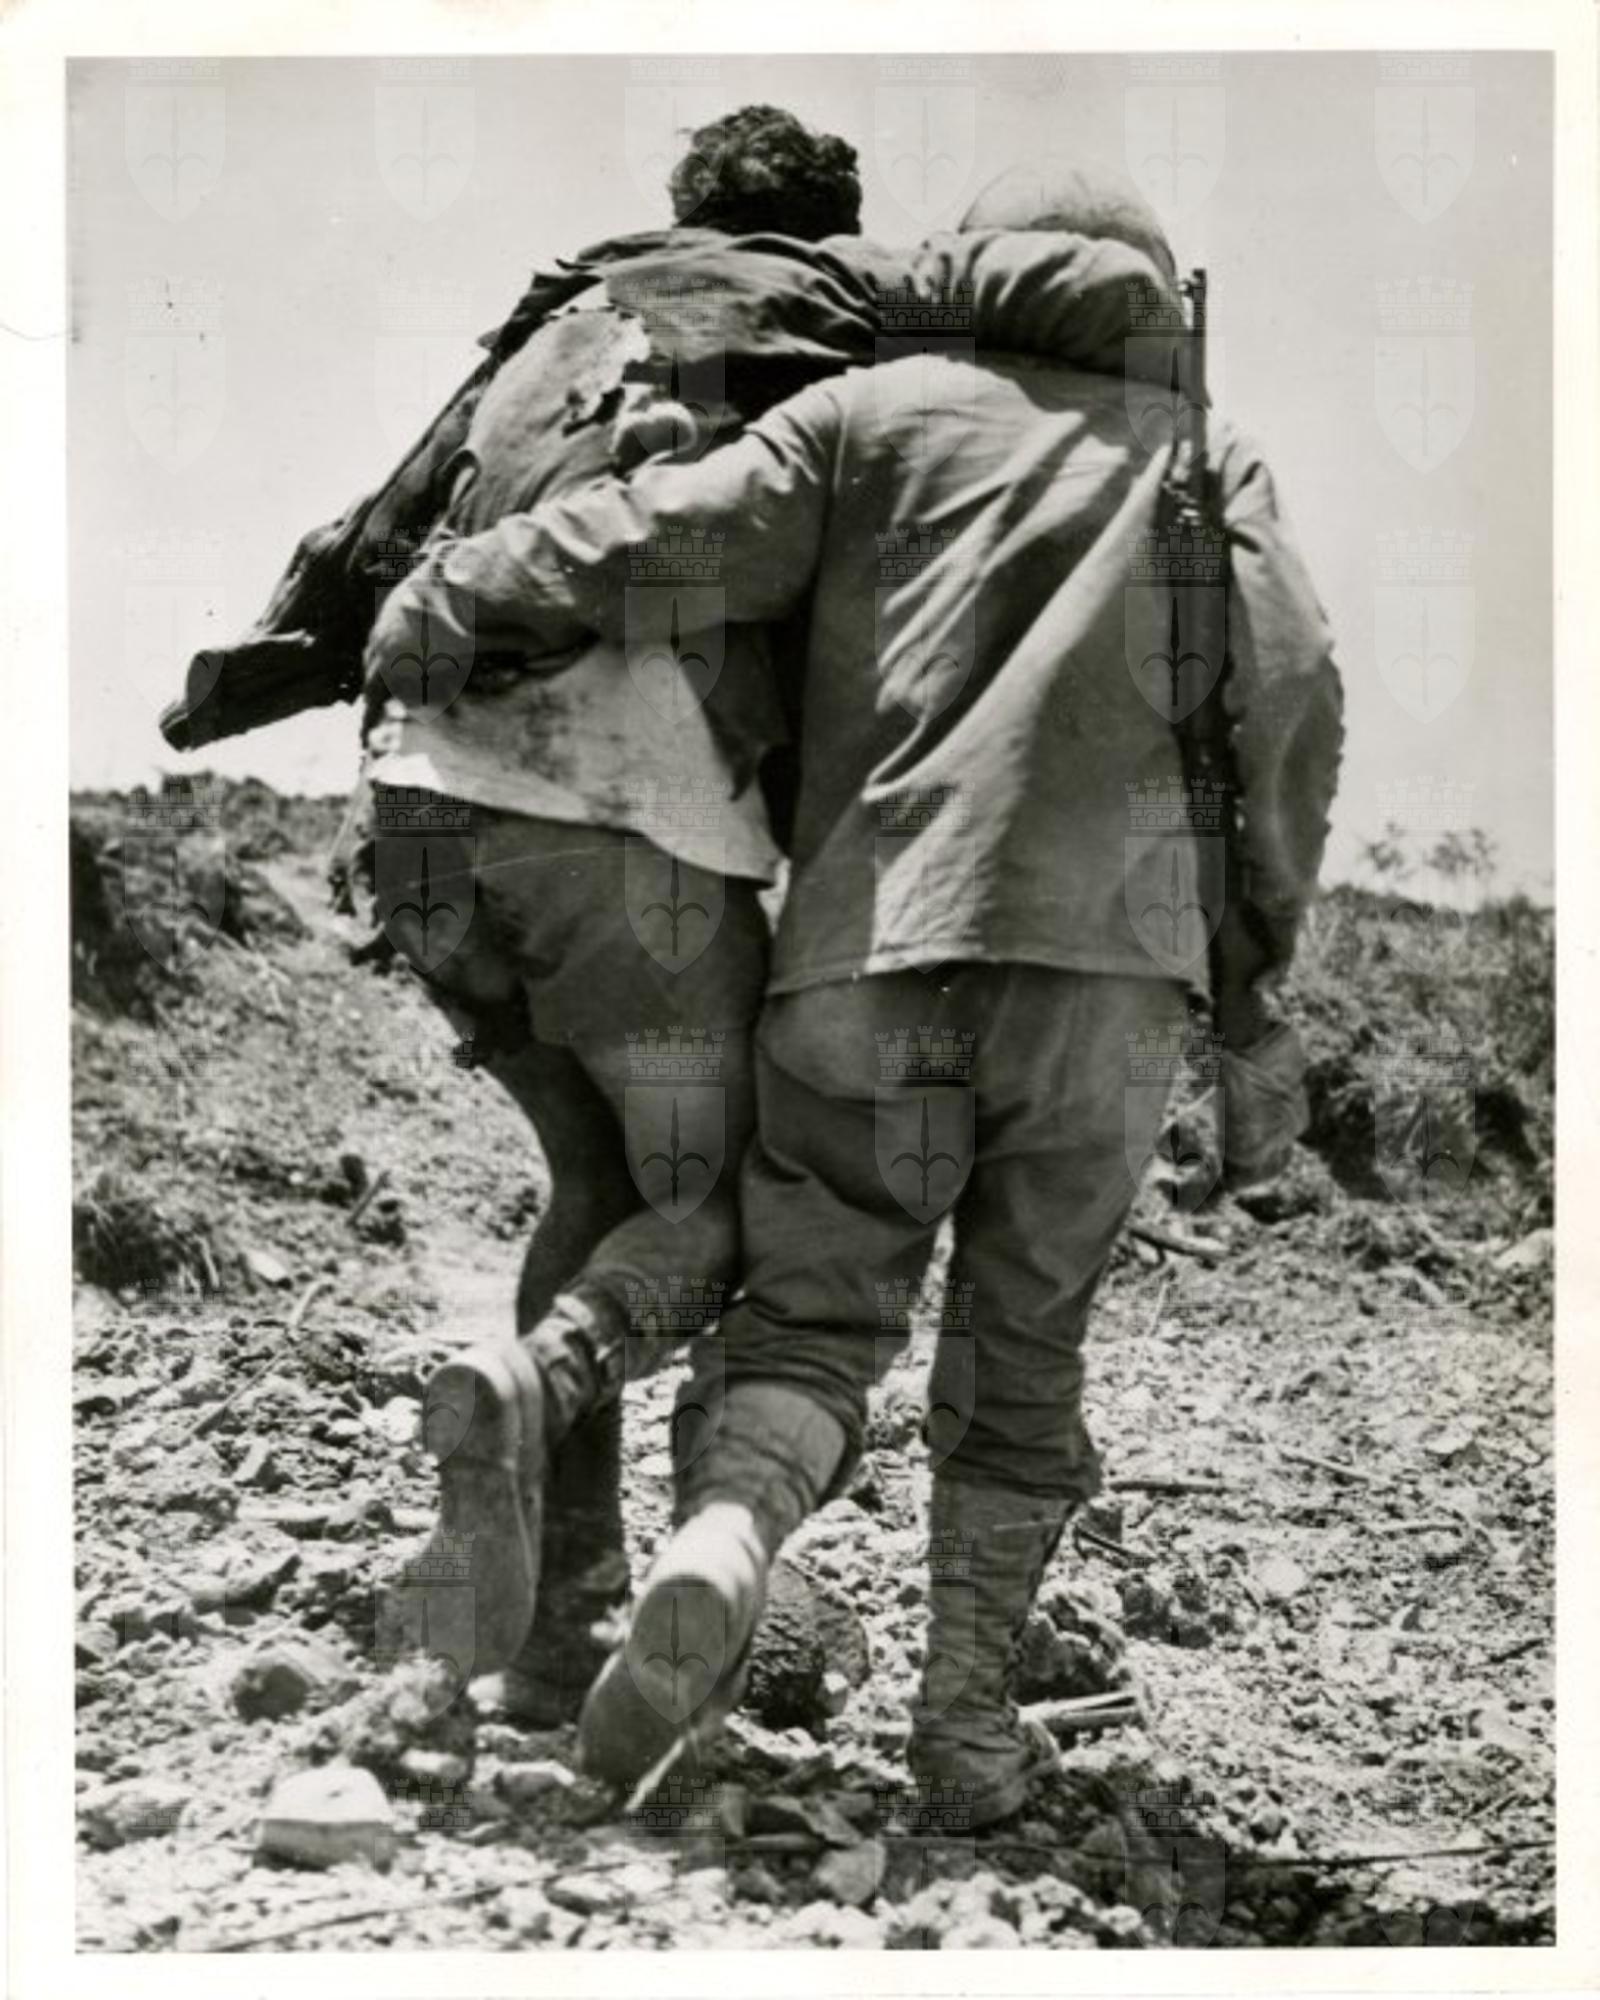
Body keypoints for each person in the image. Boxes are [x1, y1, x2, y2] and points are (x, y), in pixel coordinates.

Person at [372, 161, 1344, 1818]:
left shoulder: (868, 416)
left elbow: (666, 543)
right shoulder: (1205, 455)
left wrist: (459, 591)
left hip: (868, 953)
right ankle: (963, 1734)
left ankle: (727, 1534)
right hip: (1111, 991)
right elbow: (1292, 695)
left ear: (972, 265)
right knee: (1022, 1357)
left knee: (814, 1321)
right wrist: (1252, 978)